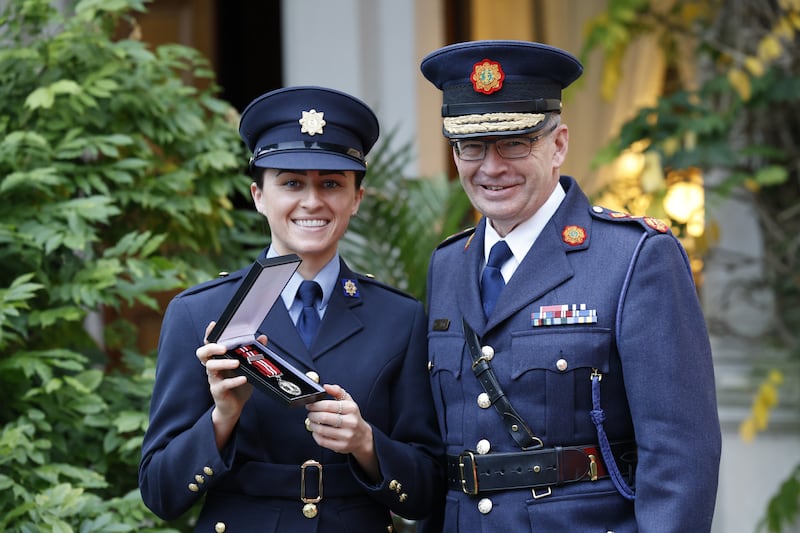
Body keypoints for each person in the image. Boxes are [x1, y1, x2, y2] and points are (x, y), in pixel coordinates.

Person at [418, 40, 721, 531]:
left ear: (558, 144)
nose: (491, 168)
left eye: (515, 144)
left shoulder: (634, 258)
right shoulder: (448, 263)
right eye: (471, 146)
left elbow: (680, 454)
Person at [139, 86, 444, 532]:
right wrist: (222, 418)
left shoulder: (399, 317)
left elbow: (428, 490)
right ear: (258, 195)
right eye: (291, 182)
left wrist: (366, 443)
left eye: (332, 184)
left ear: (356, 198)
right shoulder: (199, 312)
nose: (312, 201)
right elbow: (161, 494)